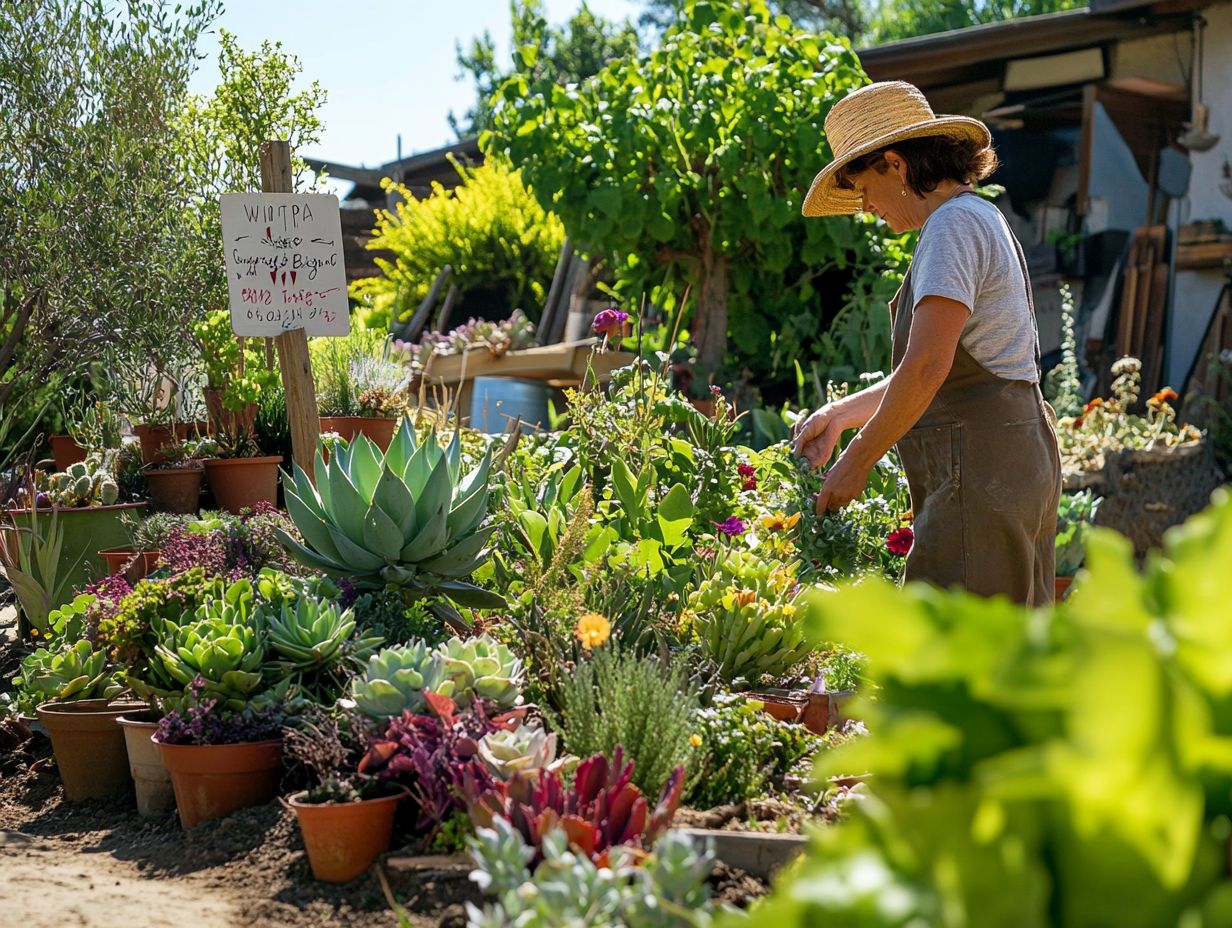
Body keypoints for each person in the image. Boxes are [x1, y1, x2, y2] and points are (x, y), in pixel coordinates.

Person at [791, 81, 1061, 606]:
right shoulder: (977, 216)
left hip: (980, 477)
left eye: (862, 185)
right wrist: (842, 414)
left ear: (895, 164)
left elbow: (927, 369)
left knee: (958, 662)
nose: (865, 206)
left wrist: (858, 460)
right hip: (1006, 462)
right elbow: (949, 371)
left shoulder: (950, 227)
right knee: (1008, 658)